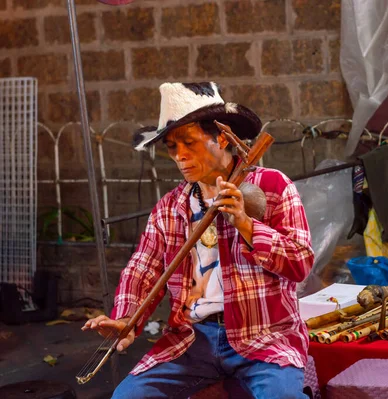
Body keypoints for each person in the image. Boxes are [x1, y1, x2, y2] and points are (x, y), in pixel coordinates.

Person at [82, 82, 314, 398]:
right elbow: (143, 269)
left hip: (265, 335)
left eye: (188, 143)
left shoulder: (273, 185)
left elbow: (300, 264)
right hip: (192, 339)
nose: (180, 156)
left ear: (222, 137)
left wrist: (246, 224)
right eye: (172, 147)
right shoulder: (170, 208)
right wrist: (126, 318)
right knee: (128, 396)